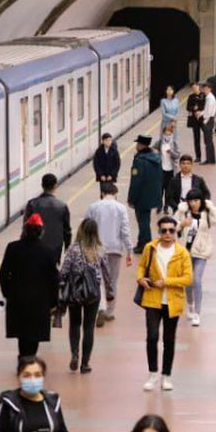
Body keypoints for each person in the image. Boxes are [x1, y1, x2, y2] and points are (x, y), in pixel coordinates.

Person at [136, 214, 193, 390]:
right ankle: (152, 373)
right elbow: (141, 266)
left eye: (171, 230)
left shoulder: (181, 253)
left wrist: (166, 281)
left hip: (172, 301)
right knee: (152, 337)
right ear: (159, 232)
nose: (167, 233)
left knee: (169, 339)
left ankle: (166, 375)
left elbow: (188, 278)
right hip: (152, 299)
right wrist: (140, 279)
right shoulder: (150, 248)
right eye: (164, 230)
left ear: (176, 231)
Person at [0, 215, 59, 358]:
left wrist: (8, 293)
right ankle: (30, 357)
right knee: (35, 333)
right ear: (41, 232)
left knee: (22, 332)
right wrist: (53, 302)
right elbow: (54, 280)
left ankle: (23, 356)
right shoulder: (48, 252)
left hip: (17, 299)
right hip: (40, 301)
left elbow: (3, 274)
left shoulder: (12, 248)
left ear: (25, 230)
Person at [59, 218, 104, 373]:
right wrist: (110, 293)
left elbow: (64, 271)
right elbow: (107, 273)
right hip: (93, 294)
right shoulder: (100, 249)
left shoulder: (73, 249)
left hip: (75, 292)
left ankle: (74, 355)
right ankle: (85, 363)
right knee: (89, 327)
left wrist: (60, 290)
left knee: (75, 324)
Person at [85, 182, 132, 326]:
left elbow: (86, 228)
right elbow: (125, 230)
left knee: (97, 279)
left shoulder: (93, 207)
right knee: (112, 281)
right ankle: (110, 312)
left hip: (96, 248)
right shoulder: (121, 208)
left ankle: (100, 307)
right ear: (116, 193)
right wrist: (129, 250)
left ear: (102, 193)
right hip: (115, 249)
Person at [175, 191, 216, 326]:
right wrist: (182, 224)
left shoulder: (206, 213)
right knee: (188, 281)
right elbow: (173, 227)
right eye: (191, 201)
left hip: (201, 252)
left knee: (196, 279)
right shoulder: (183, 212)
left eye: (196, 201)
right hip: (185, 252)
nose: (194, 204)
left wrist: (210, 206)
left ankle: (197, 313)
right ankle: (190, 305)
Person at [127, 135, 164, 253]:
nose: (136, 146)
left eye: (138, 144)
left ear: (141, 145)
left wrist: (131, 198)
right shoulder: (156, 158)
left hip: (141, 197)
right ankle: (142, 242)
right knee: (145, 220)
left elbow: (136, 182)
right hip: (152, 195)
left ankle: (145, 245)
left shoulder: (140, 161)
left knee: (142, 222)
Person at [25, 174, 71, 264]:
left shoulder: (32, 204)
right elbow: (67, 229)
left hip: (35, 245)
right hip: (55, 246)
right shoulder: (62, 206)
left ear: (42, 185)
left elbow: (26, 226)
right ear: (55, 186)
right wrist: (67, 245)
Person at [157, 121, 180, 195]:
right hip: (161, 169)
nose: (167, 136)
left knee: (169, 189)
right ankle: (159, 205)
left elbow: (177, 155)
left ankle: (166, 205)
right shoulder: (160, 143)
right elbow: (152, 150)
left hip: (171, 170)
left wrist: (171, 152)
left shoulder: (174, 143)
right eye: (166, 134)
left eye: (169, 134)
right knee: (160, 189)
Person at [184, 87, 206, 161]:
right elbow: (187, 107)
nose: (194, 89)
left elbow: (206, 106)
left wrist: (199, 109)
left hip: (203, 119)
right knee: (196, 138)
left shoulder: (204, 96)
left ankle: (208, 156)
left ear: (199, 87)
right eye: (193, 88)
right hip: (194, 120)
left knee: (207, 137)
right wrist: (193, 108)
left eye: (195, 87)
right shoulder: (191, 96)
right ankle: (198, 156)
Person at [198, 82, 216, 164]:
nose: (204, 90)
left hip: (208, 120)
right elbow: (206, 110)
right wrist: (201, 113)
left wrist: (204, 120)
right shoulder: (210, 97)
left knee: (208, 141)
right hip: (210, 119)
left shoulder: (209, 98)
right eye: (204, 89)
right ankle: (212, 159)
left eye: (206, 89)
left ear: (210, 89)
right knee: (209, 141)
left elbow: (208, 111)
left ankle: (209, 160)